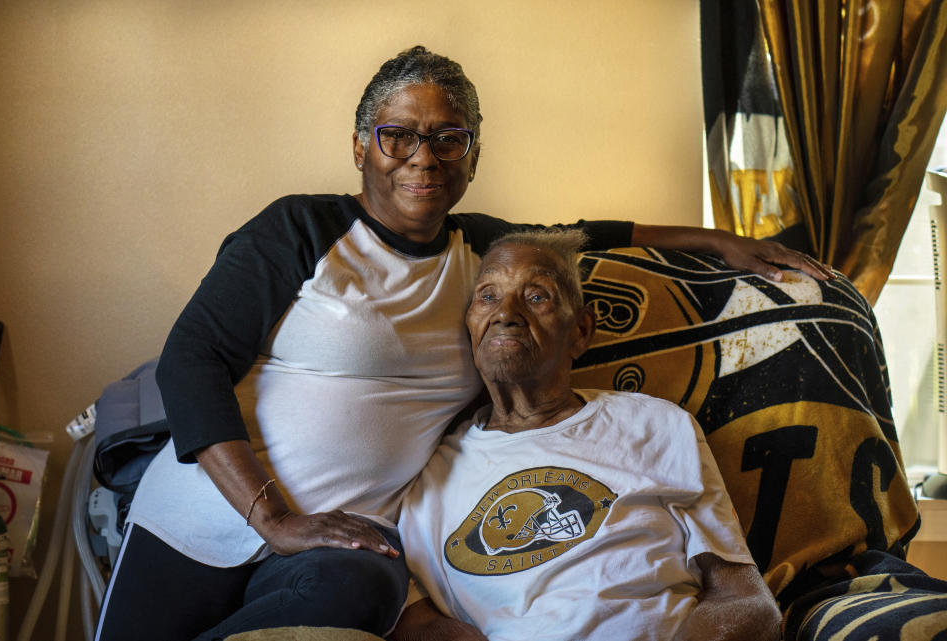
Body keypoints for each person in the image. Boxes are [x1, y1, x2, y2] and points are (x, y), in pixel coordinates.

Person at [95, 46, 823, 641]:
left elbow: (588, 234)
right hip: (206, 514)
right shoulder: (300, 230)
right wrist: (272, 517)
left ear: (472, 156)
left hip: (344, 544)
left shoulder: (482, 256)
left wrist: (723, 241)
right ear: (360, 145)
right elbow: (191, 361)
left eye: (449, 138)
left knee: (370, 588)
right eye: (398, 135)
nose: (424, 156)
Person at [395, 229, 783, 641]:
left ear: (580, 331)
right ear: (470, 324)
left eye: (536, 296)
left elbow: (745, 601)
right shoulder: (429, 477)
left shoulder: (655, 425)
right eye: (488, 295)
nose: (505, 312)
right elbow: (416, 622)